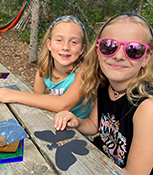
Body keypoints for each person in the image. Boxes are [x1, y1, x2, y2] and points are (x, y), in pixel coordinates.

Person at [54, 13, 153, 174]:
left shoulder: (147, 108)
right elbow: (94, 125)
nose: (119, 56)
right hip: (99, 161)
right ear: (98, 50)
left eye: (133, 50)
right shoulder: (105, 85)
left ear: (146, 58)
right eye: (109, 46)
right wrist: (77, 121)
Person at [0, 15, 91, 119]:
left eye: (73, 42)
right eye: (59, 40)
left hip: (78, 131)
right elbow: (36, 97)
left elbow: (63, 105)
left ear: (82, 49)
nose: (65, 47)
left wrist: (14, 95)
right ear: (49, 44)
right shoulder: (44, 69)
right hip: (53, 123)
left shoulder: (84, 72)